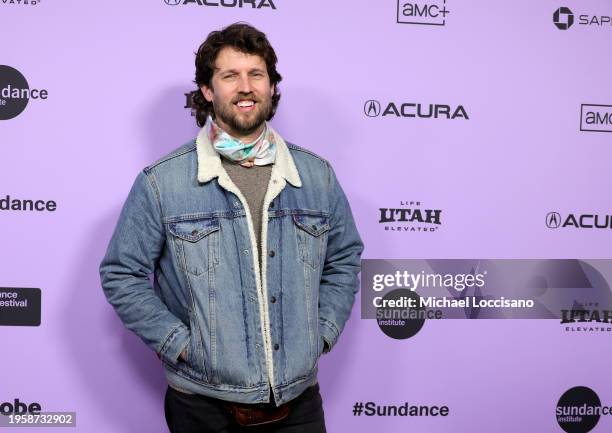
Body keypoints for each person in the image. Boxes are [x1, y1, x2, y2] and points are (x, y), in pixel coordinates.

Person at [99, 22, 363, 433]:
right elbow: (121, 273)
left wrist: (322, 332)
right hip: (202, 406)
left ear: (271, 87)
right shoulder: (161, 182)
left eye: (256, 74)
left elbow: (345, 258)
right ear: (208, 90)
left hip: (299, 404)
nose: (245, 87)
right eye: (230, 75)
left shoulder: (317, 176)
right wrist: (181, 346)